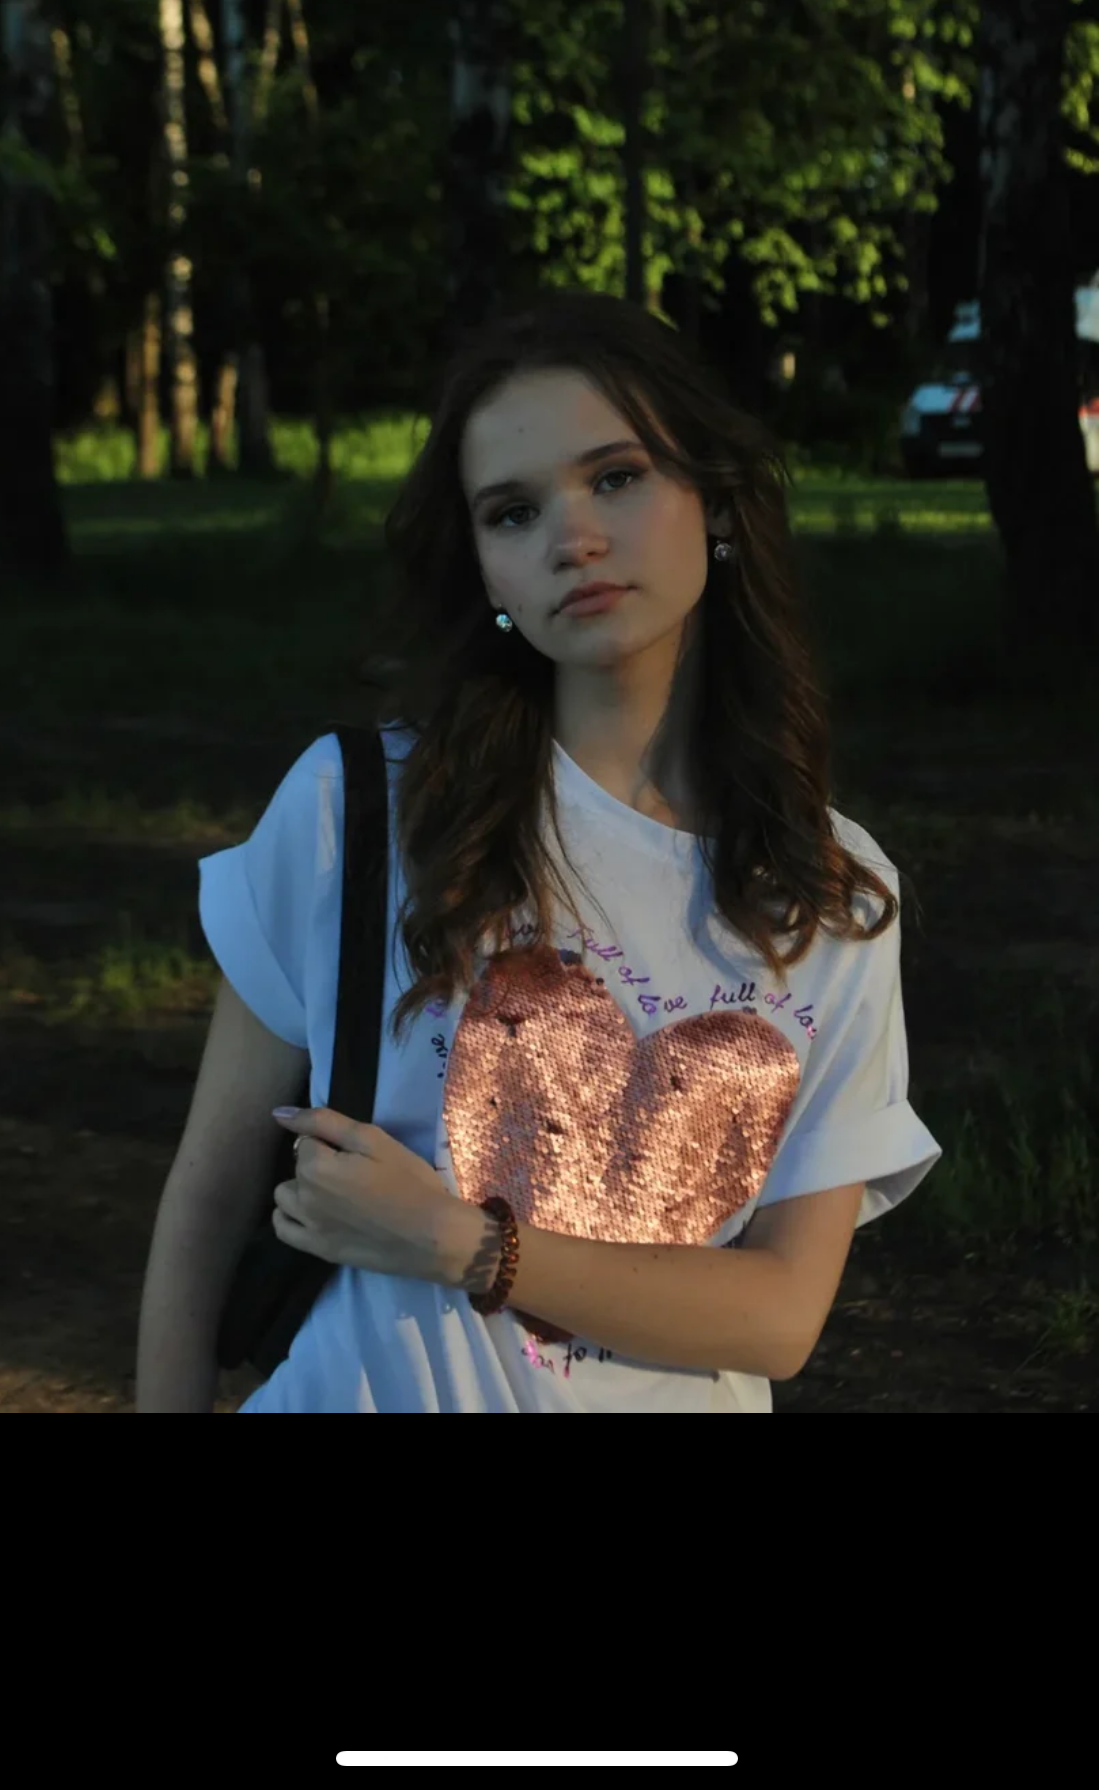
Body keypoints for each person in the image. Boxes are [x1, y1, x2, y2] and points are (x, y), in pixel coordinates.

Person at [136, 289, 940, 1413]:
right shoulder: (362, 810)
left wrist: (465, 1245)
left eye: (617, 477)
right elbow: (208, 1198)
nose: (573, 539)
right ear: (485, 572)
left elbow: (778, 1318)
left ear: (713, 498)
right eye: (513, 512)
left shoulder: (831, 896)